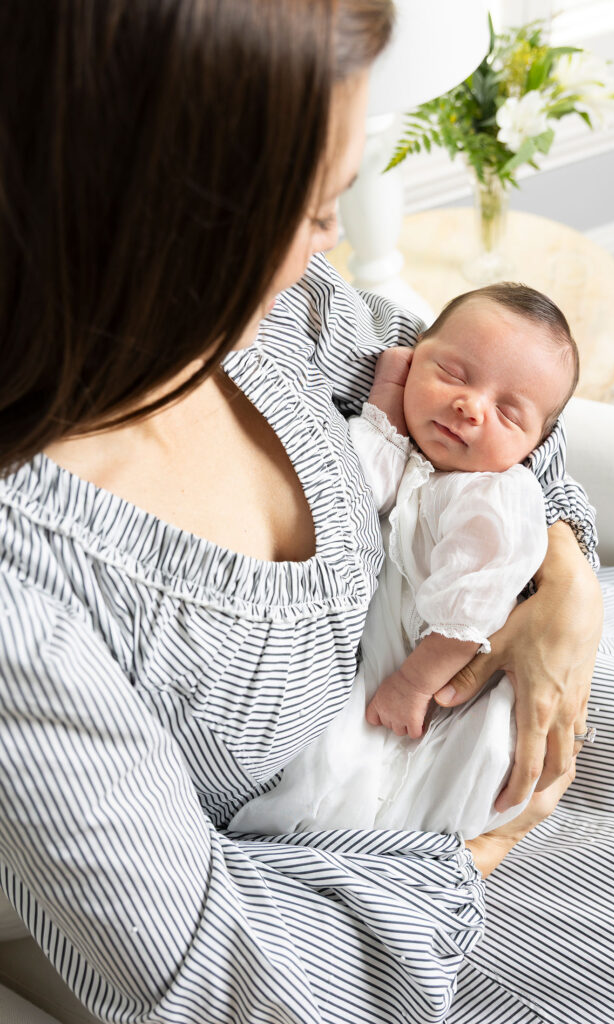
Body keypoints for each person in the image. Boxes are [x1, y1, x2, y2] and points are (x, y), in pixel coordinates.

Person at [0, 3, 614, 1024]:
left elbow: (490, 423)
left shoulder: (268, 314)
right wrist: (482, 846)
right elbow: (235, 976)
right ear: (158, 224)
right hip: (382, 893)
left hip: (517, 696)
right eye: (319, 211)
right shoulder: (29, 596)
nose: (333, 248)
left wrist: (565, 577)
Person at [231, 283, 581, 841]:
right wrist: (389, 399)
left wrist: (414, 686)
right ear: (417, 353)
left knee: (447, 765)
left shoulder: (497, 497)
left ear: (534, 450)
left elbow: (471, 613)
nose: (470, 405)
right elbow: (357, 487)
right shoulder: (419, 463)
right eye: (454, 374)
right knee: (331, 756)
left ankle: (480, 836)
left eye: (508, 414)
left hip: (442, 668)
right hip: (379, 647)